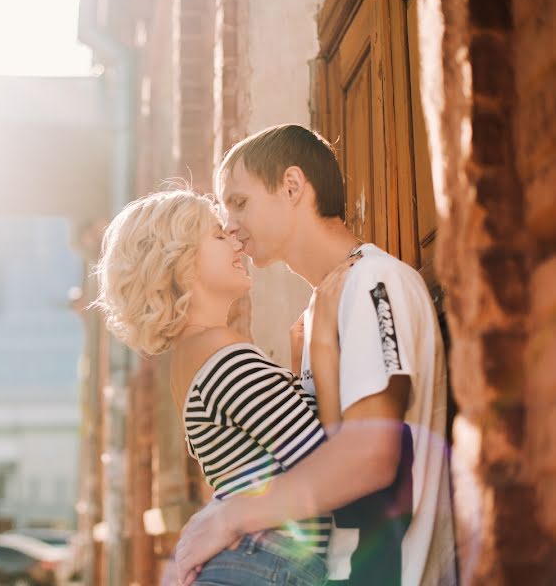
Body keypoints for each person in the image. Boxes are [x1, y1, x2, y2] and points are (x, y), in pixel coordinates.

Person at [174, 124, 456, 586]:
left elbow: (369, 459)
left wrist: (231, 517)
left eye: (239, 201)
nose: (229, 224)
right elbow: (330, 450)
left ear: (291, 186)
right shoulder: (325, 305)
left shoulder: (370, 281)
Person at [92, 188, 349, 585]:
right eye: (217, 235)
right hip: (268, 567)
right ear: (178, 263)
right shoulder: (223, 354)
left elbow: (262, 463)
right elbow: (324, 467)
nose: (235, 239)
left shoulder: (192, 359)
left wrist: (300, 369)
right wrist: (326, 349)